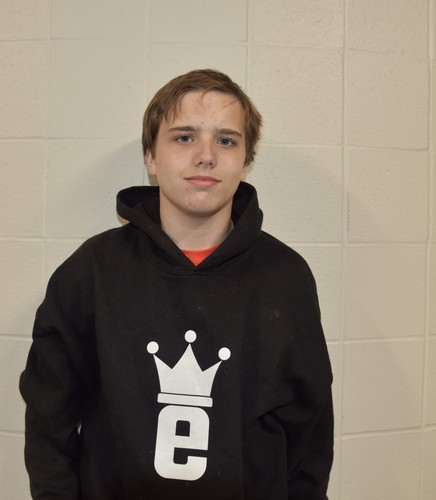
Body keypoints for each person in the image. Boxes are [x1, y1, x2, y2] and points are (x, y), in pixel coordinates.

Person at [20, 68, 333, 500]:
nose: (206, 156)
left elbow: (310, 432)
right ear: (151, 157)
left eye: (226, 140)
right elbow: (48, 420)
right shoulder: (91, 272)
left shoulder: (286, 276)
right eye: (184, 137)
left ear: (246, 162)